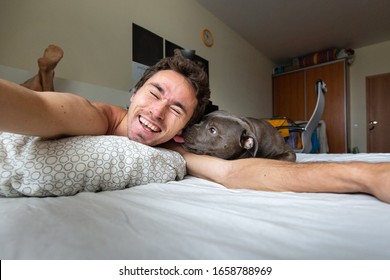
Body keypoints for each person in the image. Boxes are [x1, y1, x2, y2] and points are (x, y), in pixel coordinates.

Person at [1, 45, 389, 203]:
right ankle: (42, 76)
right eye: (154, 93)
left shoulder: (172, 147)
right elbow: (45, 111)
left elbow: (235, 174)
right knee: (39, 92)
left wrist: (366, 176)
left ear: (187, 124)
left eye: (177, 109)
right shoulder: (98, 116)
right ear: (134, 92)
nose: (157, 112)